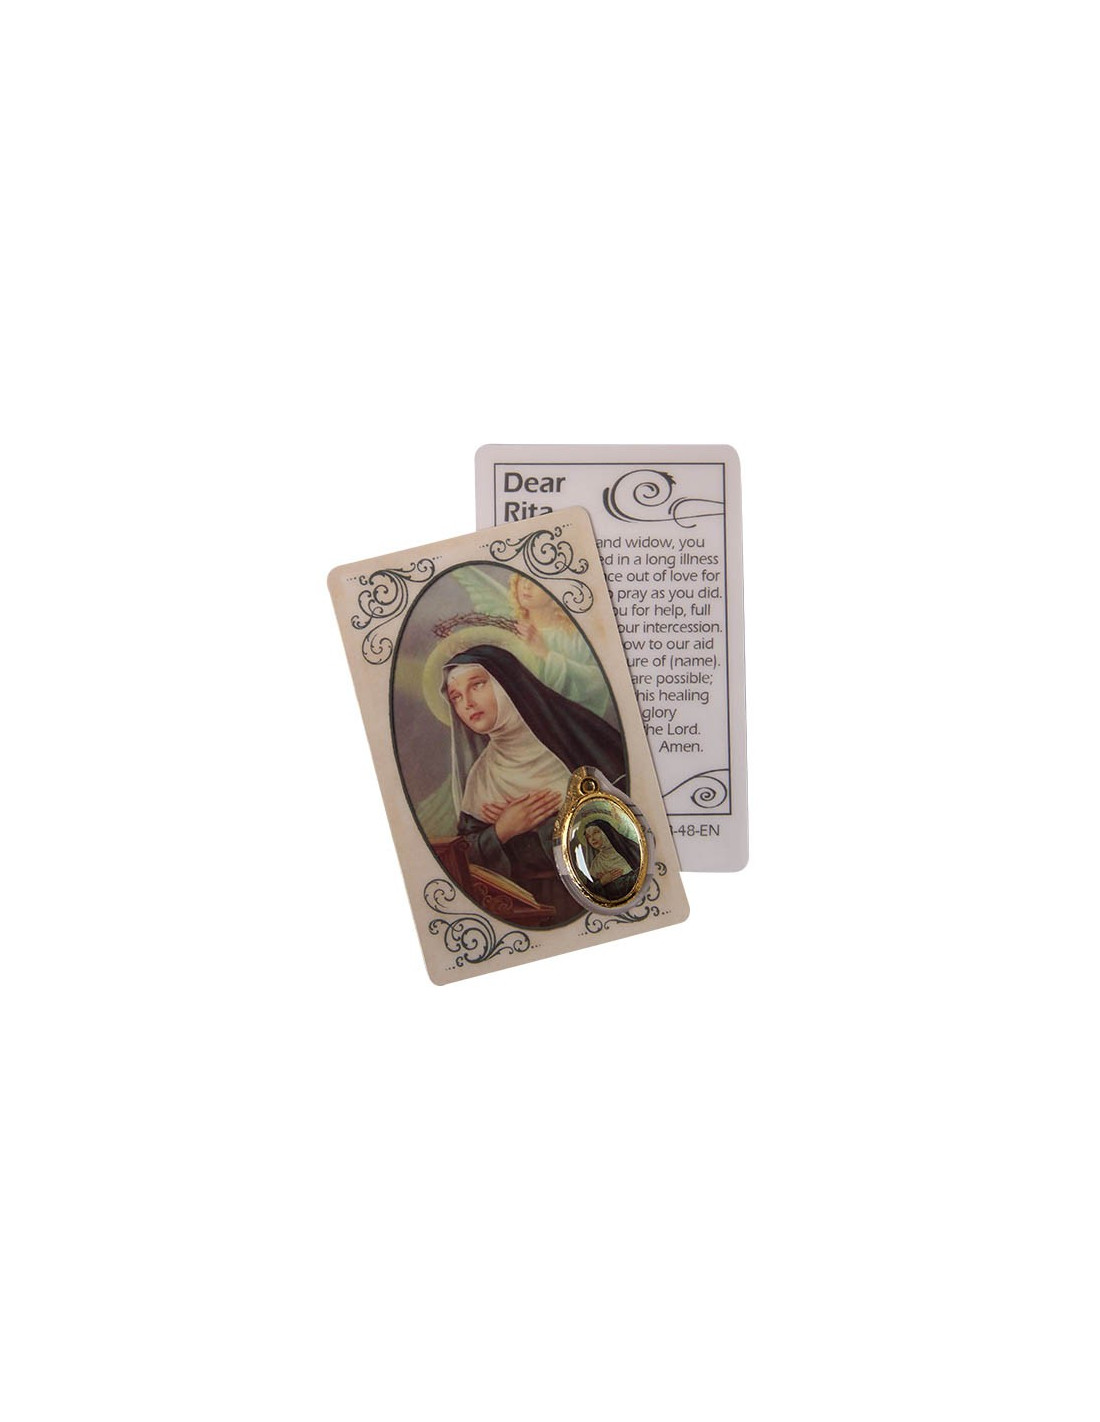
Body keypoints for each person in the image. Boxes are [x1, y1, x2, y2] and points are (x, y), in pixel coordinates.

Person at [441, 645, 627, 923]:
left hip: (597, 895)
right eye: (456, 697)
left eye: (477, 685)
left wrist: (538, 826)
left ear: (506, 683)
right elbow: (464, 859)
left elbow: (626, 829)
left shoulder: (579, 740)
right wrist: (501, 830)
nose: (466, 702)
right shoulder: (482, 774)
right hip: (523, 910)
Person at [578, 820, 641, 901]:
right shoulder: (596, 864)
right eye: (588, 837)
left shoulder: (630, 851)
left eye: (596, 832)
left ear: (607, 832)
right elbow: (593, 893)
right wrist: (602, 882)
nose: (592, 839)